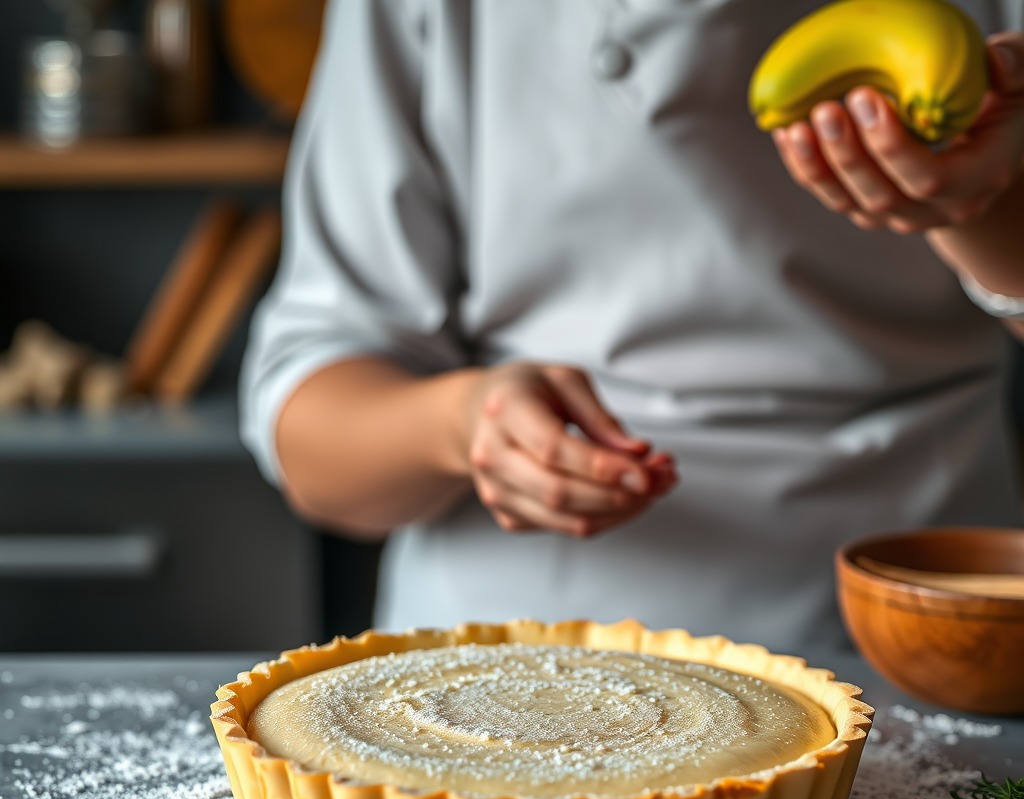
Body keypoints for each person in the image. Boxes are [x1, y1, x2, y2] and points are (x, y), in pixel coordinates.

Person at [240, 0, 1024, 654]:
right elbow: (313, 431)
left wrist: (988, 216)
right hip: (510, 667)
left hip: (929, 642)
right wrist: (463, 424)